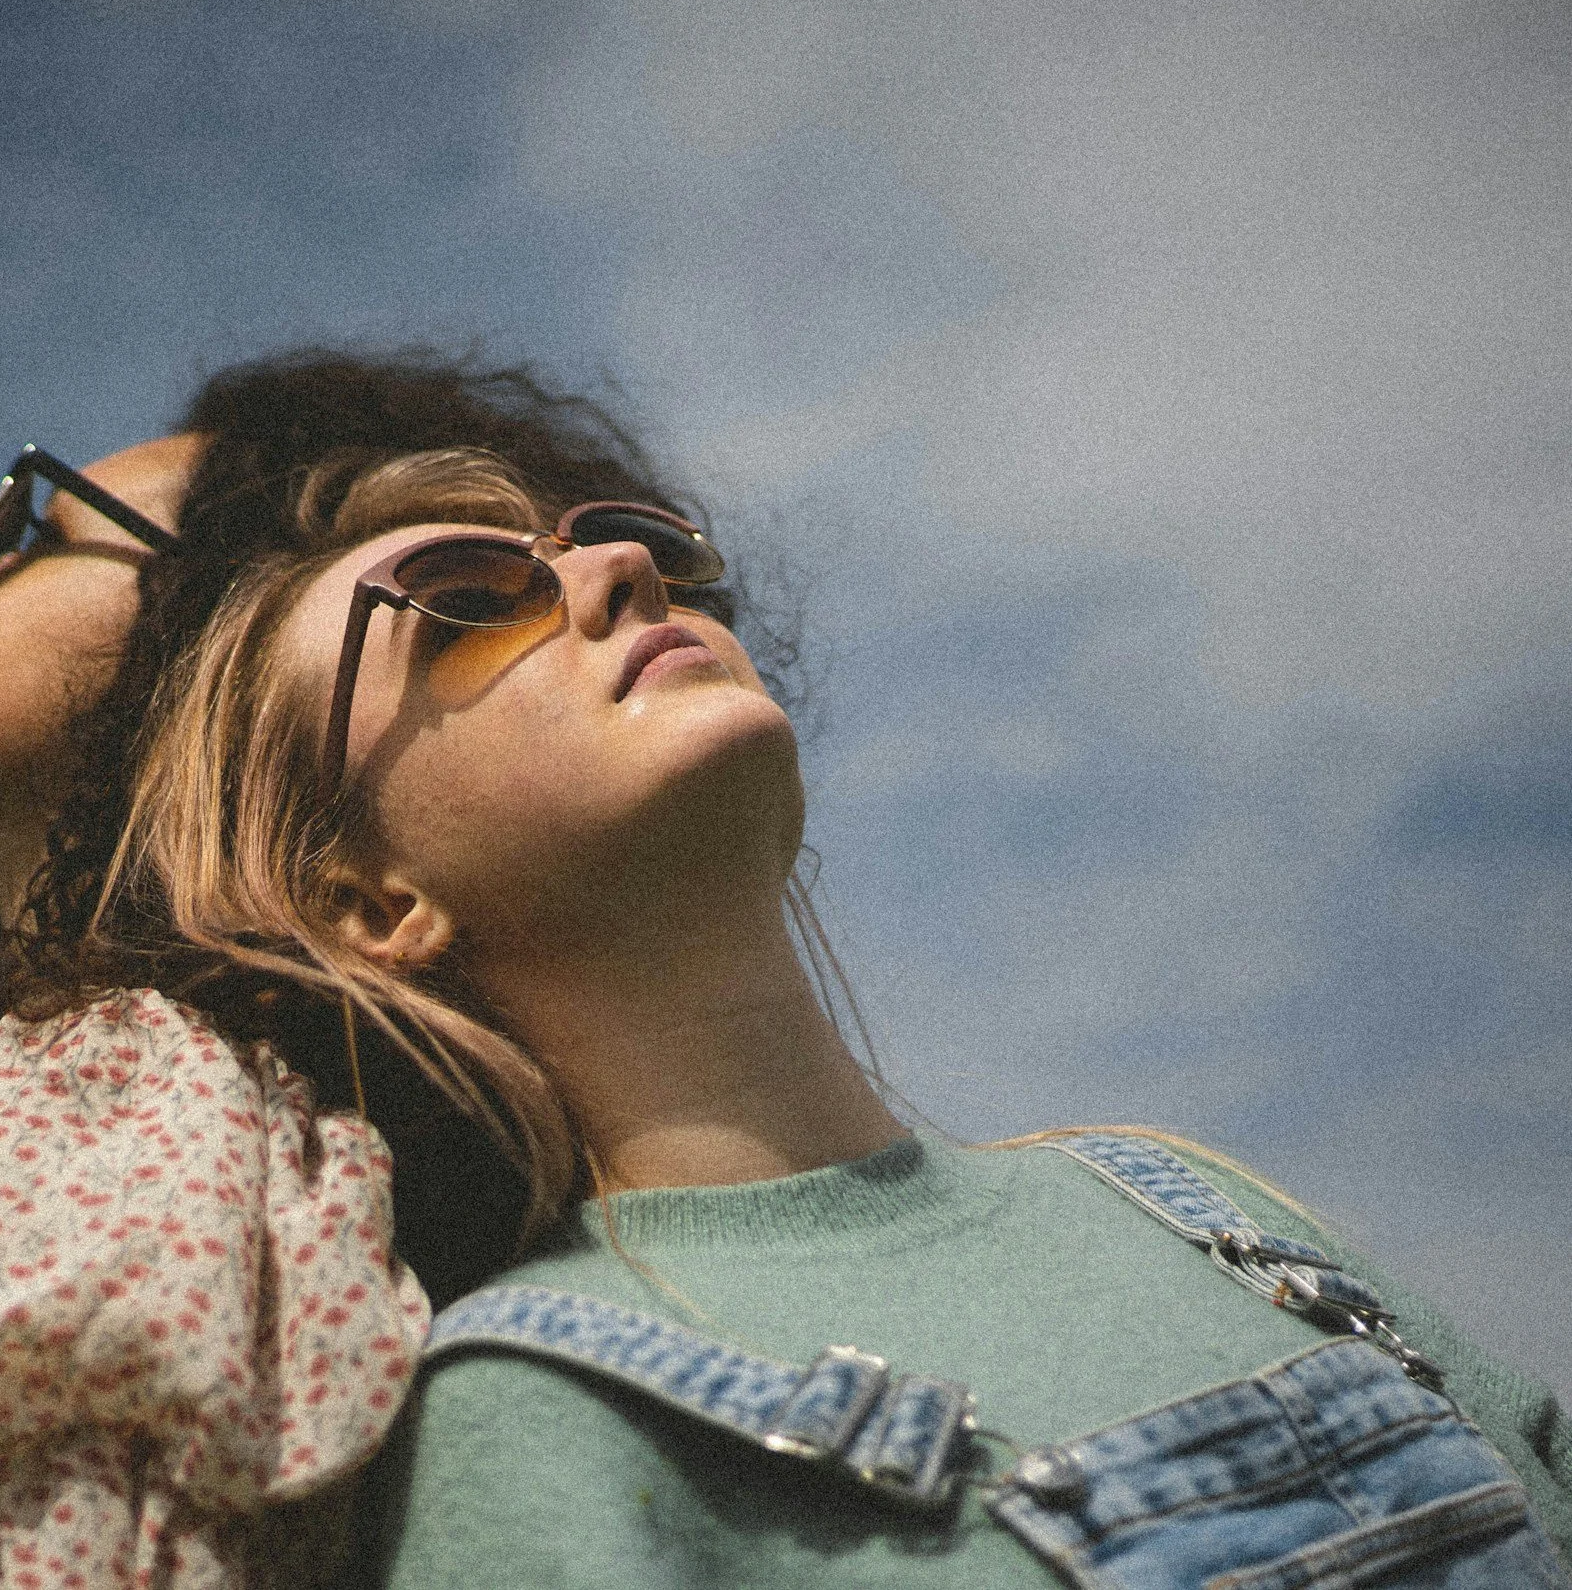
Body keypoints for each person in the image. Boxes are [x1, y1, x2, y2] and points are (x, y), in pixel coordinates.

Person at [104, 447, 1572, 1590]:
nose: (622, 566)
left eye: (644, 550)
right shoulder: (540, 1414)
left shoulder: (1190, 1204)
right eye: (469, 609)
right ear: (368, 901)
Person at [0, 353, 798, 1586]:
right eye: (471, 591)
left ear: (201, 628)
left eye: (31, 536)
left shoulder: (260, 1231)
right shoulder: (98, 1177)